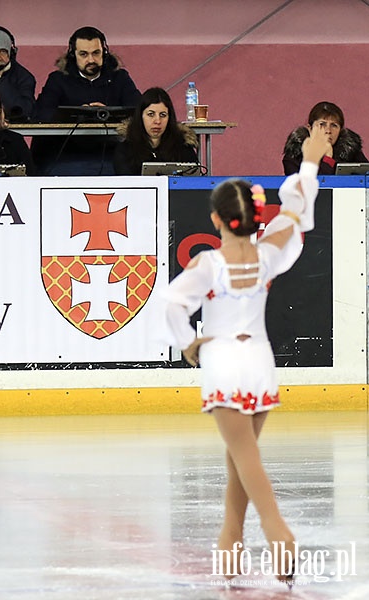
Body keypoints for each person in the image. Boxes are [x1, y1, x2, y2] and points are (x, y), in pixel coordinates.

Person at [163, 125, 329, 584]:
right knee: (242, 453)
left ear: (216, 221)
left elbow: (174, 303)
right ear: (256, 219)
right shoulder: (269, 255)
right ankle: (231, 536)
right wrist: (310, 161)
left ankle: (278, 532)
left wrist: (188, 342)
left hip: (221, 360)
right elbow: (294, 214)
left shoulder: (208, 264)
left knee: (243, 454)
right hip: (259, 360)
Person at [32, 26, 141, 175]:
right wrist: (78, 114)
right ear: (73, 55)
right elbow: (41, 113)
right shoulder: (57, 79)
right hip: (65, 152)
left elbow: (138, 110)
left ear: (105, 52)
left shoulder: (120, 77)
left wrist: (109, 113)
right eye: (83, 54)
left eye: (96, 53)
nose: (91, 60)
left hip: (111, 150)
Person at [113, 87, 198, 176]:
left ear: (170, 118)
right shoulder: (125, 150)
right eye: (151, 114)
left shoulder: (183, 147)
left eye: (163, 115)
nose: (157, 121)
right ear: (140, 116)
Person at [282, 101, 367, 175]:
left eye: (334, 125)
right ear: (310, 128)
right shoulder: (294, 155)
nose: (328, 130)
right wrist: (328, 159)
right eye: (322, 124)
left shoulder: (352, 152)